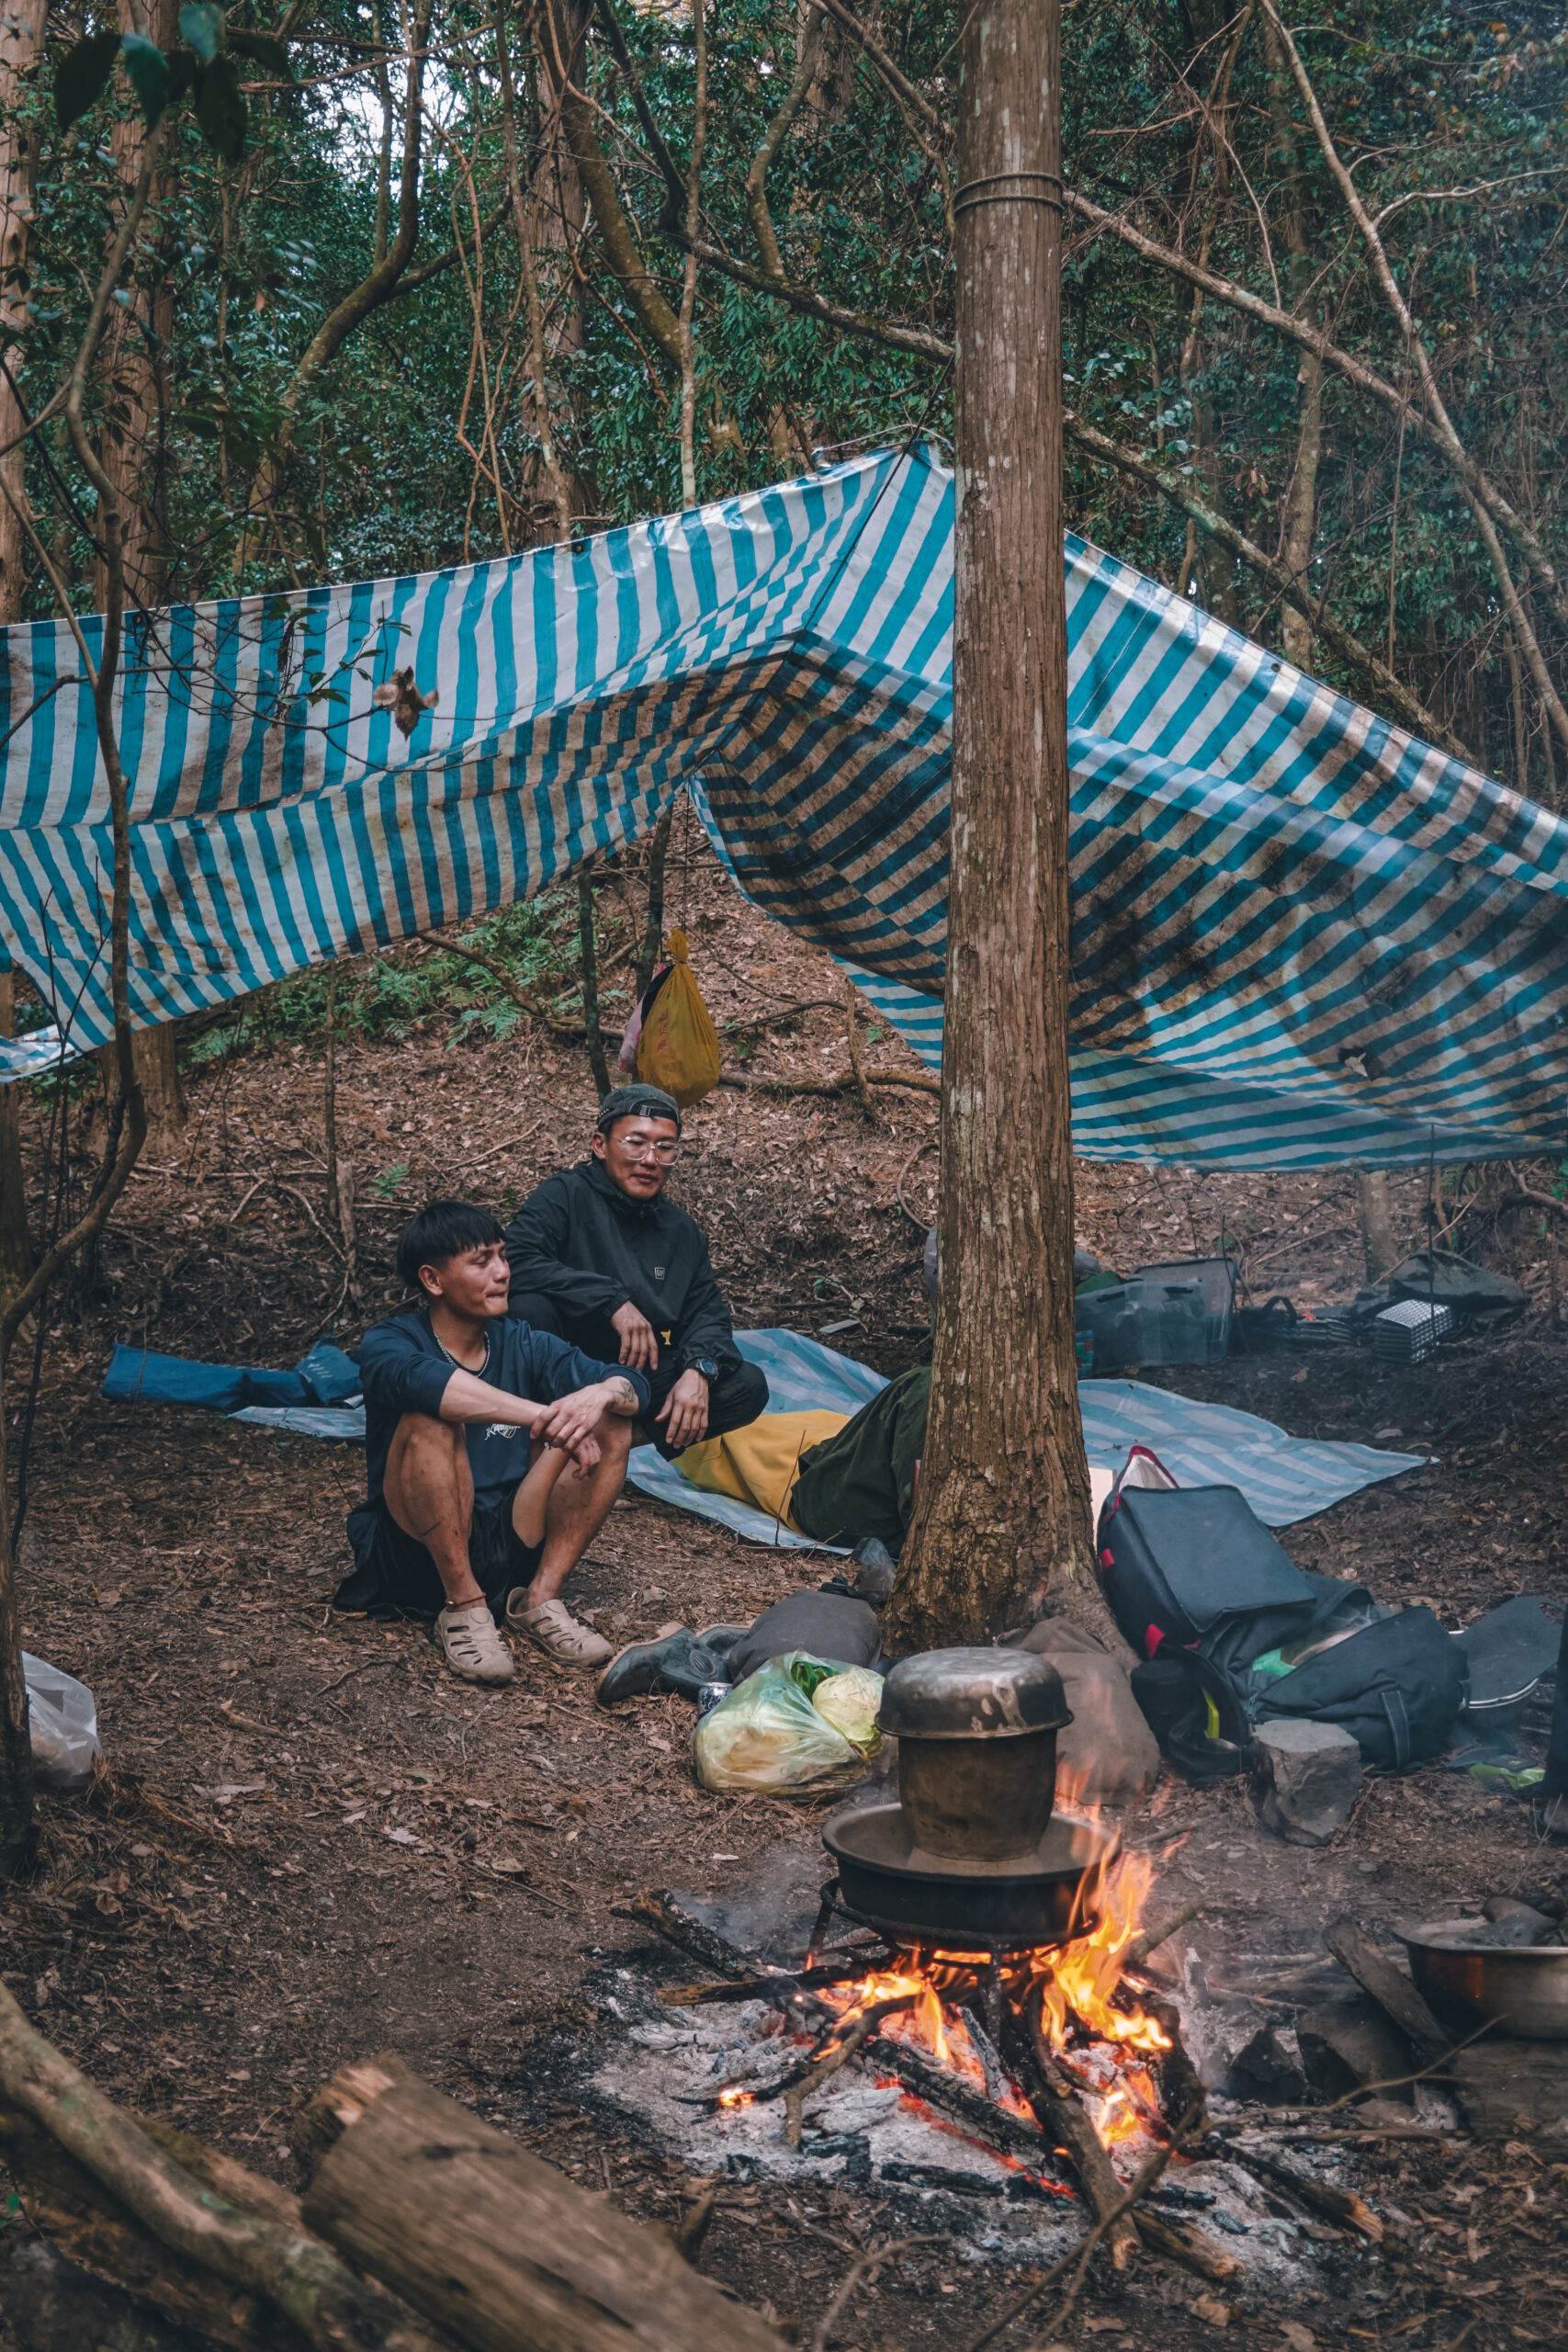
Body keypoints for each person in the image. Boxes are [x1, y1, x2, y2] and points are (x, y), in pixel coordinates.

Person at [337, 1199, 649, 1683]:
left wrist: (601, 1393)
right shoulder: (391, 1341)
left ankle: (540, 1599)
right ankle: (462, 1607)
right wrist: (548, 1417)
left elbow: (634, 1388)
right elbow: (431, 1386)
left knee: (609, 1419)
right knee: (432, 1419)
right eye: (481, 1262)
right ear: (433, 1280)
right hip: (411, 1550)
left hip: (508, 1539)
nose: (502, 1272)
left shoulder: (524, 1341)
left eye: (503, 1257)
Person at [505, 1083, 768, 1457]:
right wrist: (611, 1301)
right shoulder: (564, 1196)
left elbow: (707, 1314)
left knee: (746, 1384)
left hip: (635, 1373)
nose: (650, 1160)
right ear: (600, 1145)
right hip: (564, 1360)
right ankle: (538, 1442)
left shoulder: (680, 1231)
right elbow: (515, 1260)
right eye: (636, 1142)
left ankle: (605, 1442)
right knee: (527, 1310)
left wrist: (699, 1369)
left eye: (665, 1147)